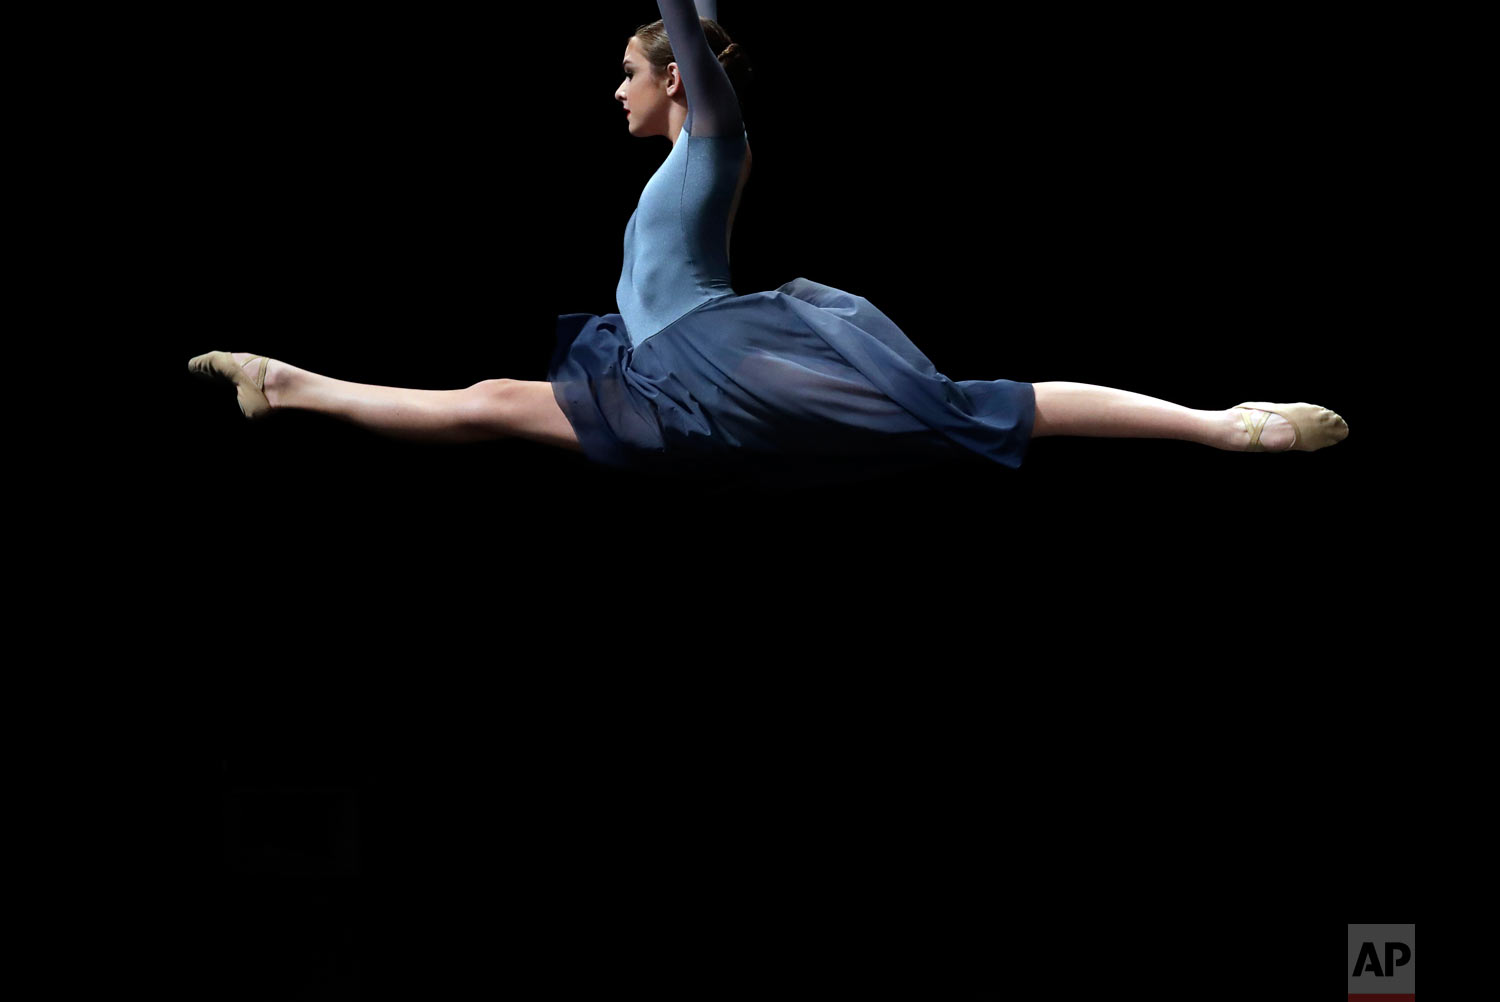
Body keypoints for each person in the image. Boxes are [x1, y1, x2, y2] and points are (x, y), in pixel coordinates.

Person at [188, 1, 1348, 490]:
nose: (613, 91)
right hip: (655, 377)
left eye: (628, 73)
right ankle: (283, 384)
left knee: (969, 405)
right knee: (495, 398)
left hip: (715, 351)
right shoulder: (672, 165)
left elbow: (688, 33)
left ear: (676, 81)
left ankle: (1223, 425)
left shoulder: (713, 148)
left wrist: (678, 16)